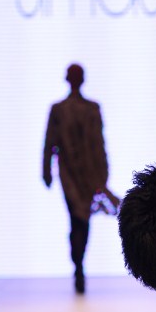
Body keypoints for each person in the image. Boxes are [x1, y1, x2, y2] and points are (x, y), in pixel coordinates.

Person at [42, 64, 119, 293]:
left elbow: (99, 142)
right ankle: (78, 266)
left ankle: (78, 265)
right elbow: (50, 142)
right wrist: (46, 171)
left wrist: (103, 174)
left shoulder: (91, 108)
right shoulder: (59, 110)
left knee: (81, 219)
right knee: (77, 217)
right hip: (70, 174)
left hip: (89, 174)